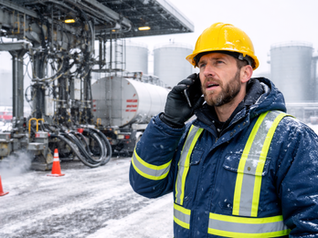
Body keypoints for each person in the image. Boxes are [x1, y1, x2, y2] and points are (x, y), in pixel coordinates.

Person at [129, 22, 318, 237]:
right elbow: (145, 185)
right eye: (202, 65)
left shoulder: (290, 137)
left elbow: (311, 227)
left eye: (219, 62)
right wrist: (169, 123)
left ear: (246, 72)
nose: (207, 72)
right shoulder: (192, 134)